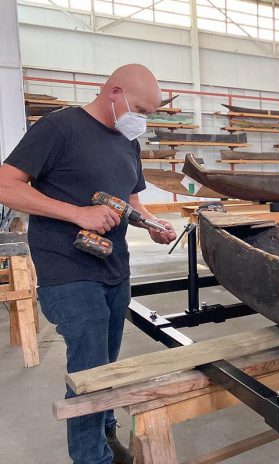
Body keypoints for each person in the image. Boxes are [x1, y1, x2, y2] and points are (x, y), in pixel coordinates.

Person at [0, 64, 177, 464]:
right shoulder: (58, 128)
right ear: (114, 92)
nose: (143, 121)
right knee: (90, 370)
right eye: (142, 111)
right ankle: (90, 458)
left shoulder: (126, 139)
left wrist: (150, 224)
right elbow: (5, 184)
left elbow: (130, 198)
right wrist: (77, 214)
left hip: (114, 268)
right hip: (69, 271)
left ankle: (105, 436)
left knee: (106, 364)